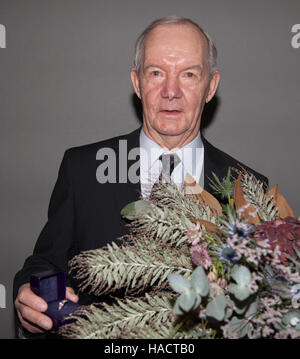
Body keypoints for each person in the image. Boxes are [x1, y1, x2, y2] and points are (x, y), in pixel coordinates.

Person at [13, 16, 268, 337]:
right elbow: (45, 262)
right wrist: (28, 291)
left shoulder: (247, 188)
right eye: (156, 73)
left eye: (189, 74)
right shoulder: (82, 169)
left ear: (210, 86)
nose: (171, 91)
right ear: (137, 82)